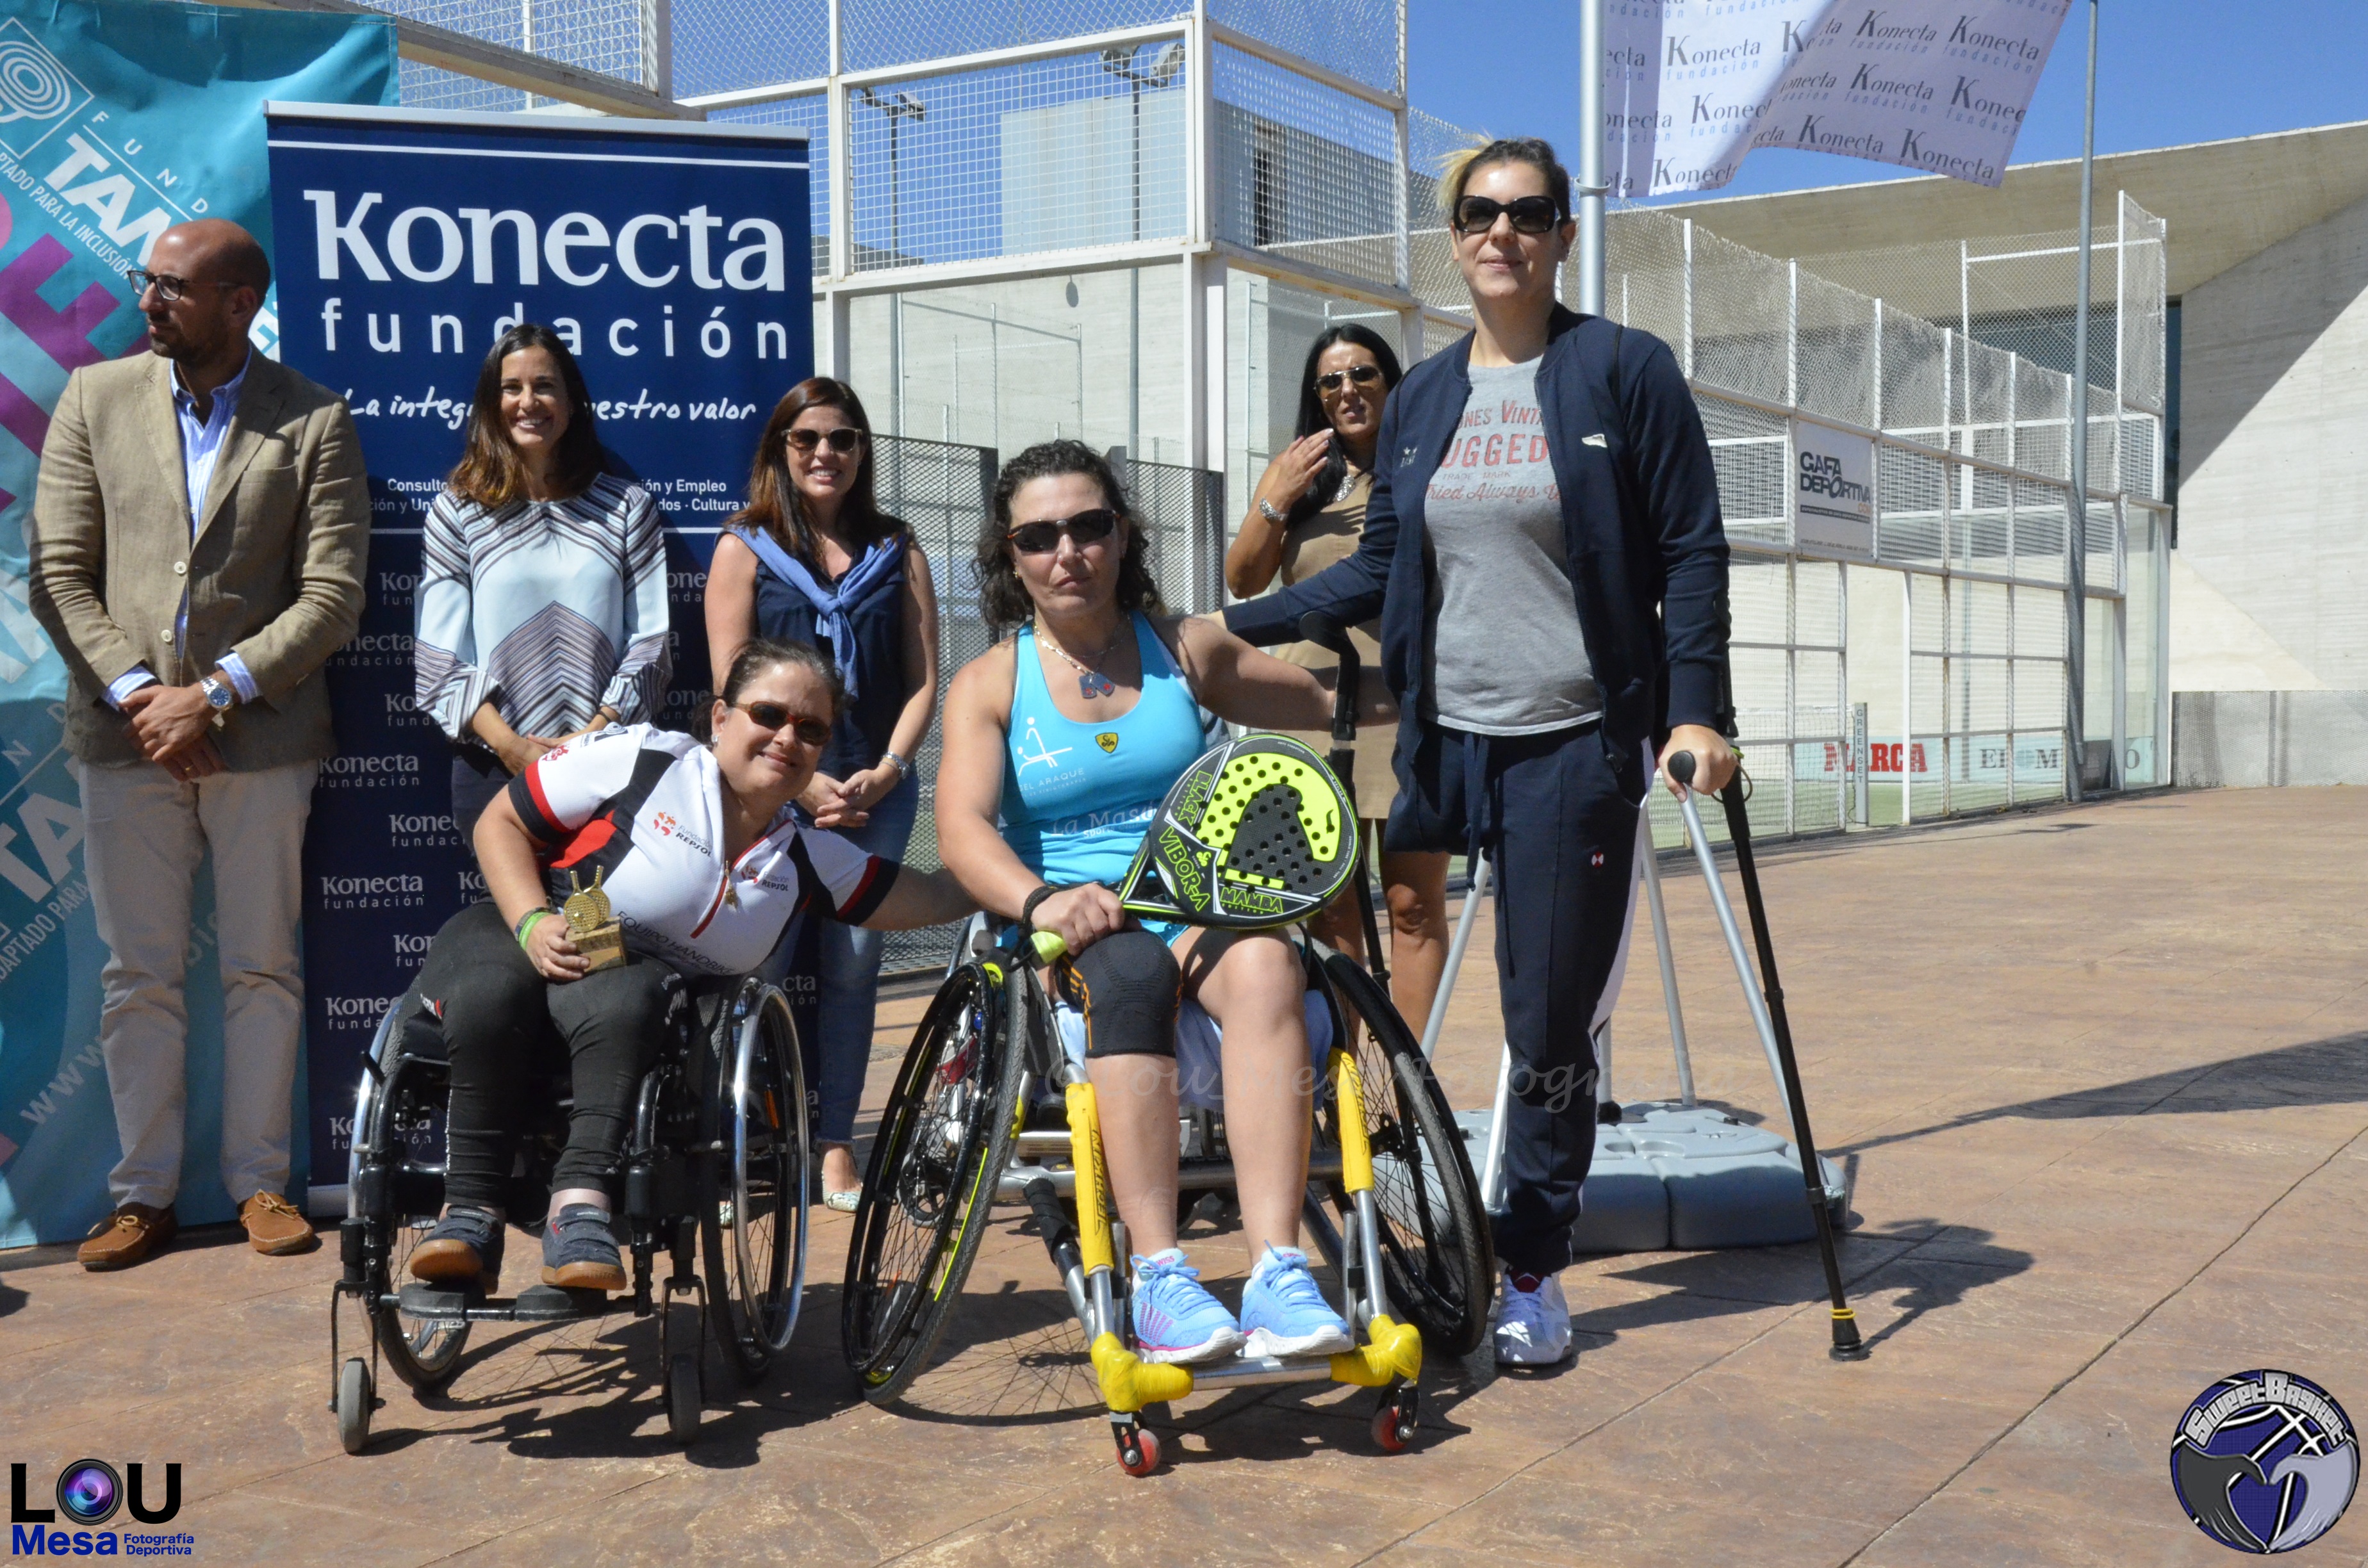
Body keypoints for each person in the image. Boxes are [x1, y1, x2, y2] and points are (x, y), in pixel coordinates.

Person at [1221, 138, 1736, 1366]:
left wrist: (1696, 711)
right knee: (1364, 965)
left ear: (1562, 234)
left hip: (1572, 744)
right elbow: (1378, 565)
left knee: (1545, 1016)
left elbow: (1690, 549)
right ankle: (1383, 1191)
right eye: (1478, 214)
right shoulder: (1424, 399)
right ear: (1453, 237)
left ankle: (1534, 1261)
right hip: (1442, 741)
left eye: (1528, 212)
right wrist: (1231, 624)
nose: (1501, 232)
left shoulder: (1621, 370)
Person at [937, 440, 1389, 1366]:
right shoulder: (990, 684)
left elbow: (1331, 701)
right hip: (1077, 926)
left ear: (1123, 535)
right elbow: (962, 830)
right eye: (1039, 537)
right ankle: (1161, 1276)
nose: (1068, 552)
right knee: (1133, 974)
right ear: (1011, 558)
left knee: (1268, 963)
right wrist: (1041, 902)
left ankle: (1276, 1269)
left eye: (1089, 526)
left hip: (1191, 899)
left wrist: (1469, 692)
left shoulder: (1184, 648)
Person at [406, 639, 975, 1293]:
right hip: (523, 926)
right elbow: (500, 821)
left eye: (811, 729)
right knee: (489, 992)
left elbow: (935, 896)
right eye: (769, 715)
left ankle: (578, 1210)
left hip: (627, 991)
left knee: (631, 999)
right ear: (721, 718)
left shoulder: (805, 857)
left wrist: (1029, 880)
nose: (787, 738)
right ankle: (468, 1211)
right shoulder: (644, 758)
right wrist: (532, 921)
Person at [27, 220, 366, 1270]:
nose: (149, 301)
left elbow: (333, 596)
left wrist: (210, 697)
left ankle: (261, 1184)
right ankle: (143, 1195)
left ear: (239, 302)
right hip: (125, 738)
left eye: (172, 286)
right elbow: (57, 573)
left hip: (261, 743)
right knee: (138, 975)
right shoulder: (93, 399)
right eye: (149, 281)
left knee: (263, 966)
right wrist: (146, 701)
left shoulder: (313, 419)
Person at [703, 377, 940, 1211]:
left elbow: (923, 681)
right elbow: (731, 691)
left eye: (842, 438)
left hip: (874, 796)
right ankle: (742, 1150)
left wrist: (891, 768)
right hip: (769, 797)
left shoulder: (898, 549)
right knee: (754, 967)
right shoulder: (744, 548)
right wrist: (801, 786)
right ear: (781, 450)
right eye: (806, 439)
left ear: (862, 451)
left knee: (853, 968)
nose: (825, 454)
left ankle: (836, 1147)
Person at [1225, 324, 1450, 1029]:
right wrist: (1277, 496)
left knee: (1413, 907)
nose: (1348, 390)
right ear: (1316, 397)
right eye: (1331, 381)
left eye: (1363, 374)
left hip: (1408, 711)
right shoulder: (1300, 474)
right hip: (1307, 713)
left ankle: (1408, 1074)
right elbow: (1243, 581)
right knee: (1328, 906)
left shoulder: (1426, 464)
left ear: (1392, 383)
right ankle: (1347, 1071)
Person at [415, 323, 670, 839]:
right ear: (491, 404)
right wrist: (512, 748)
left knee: (600, 898)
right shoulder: (457, 512)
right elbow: (440, 657)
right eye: (512, 388)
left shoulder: (626, 507)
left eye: (545, 386)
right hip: (494, 766)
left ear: (572, 402)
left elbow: (651, 643)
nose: (528, 402)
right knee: (517, 899)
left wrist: (591, 738)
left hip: (607, 762)